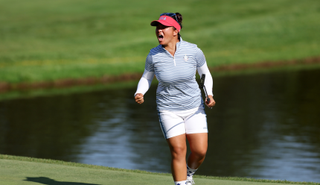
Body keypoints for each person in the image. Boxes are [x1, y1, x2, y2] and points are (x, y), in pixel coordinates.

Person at [134, 12, 215, 185]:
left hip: (194, 107)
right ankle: (181, 183)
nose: (159, 31)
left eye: (163, 27)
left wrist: (209, 94)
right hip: (168, 110)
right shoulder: (153, 55)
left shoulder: (193, 50)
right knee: (178, 150)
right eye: (157, 27)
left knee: (200, 151)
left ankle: (188, 174)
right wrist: (139, 93)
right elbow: (146, 77)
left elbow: (205, 73)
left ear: (175, 31)